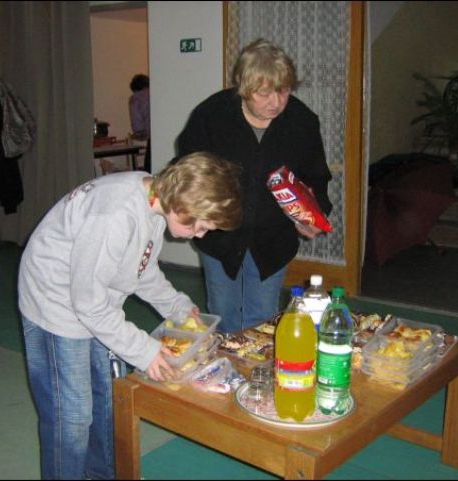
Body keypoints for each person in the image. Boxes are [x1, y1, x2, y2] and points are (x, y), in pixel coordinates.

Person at [18, 151, 241, 479]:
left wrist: (177, 307)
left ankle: (102, 475)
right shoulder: (116, 214)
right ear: (183, 203)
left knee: (107, 402)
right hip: (55, 304)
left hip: (94, 301)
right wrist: (145, 351)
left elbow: (141, 271)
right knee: (73, 417)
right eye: (202, 225)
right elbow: (88, 303)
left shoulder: (154, 202)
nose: (201, 235)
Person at [175, 38, 333, 333]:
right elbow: (185, 171)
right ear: (243, 87)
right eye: (264, 93)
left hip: (273, 239)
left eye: (283, 91)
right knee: (223, 314)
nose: (276, 102)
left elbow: (317, 176)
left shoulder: (302, 122)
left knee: (261, 320)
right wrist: (189, 214)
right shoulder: (211, 116)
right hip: (220, 237)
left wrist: (315, 213)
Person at [129, 73, 151, 172]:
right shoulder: (157, 92)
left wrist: (138, 135)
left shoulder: (136, 98)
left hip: (152, 138)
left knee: (149, 171)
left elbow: (138, 126)